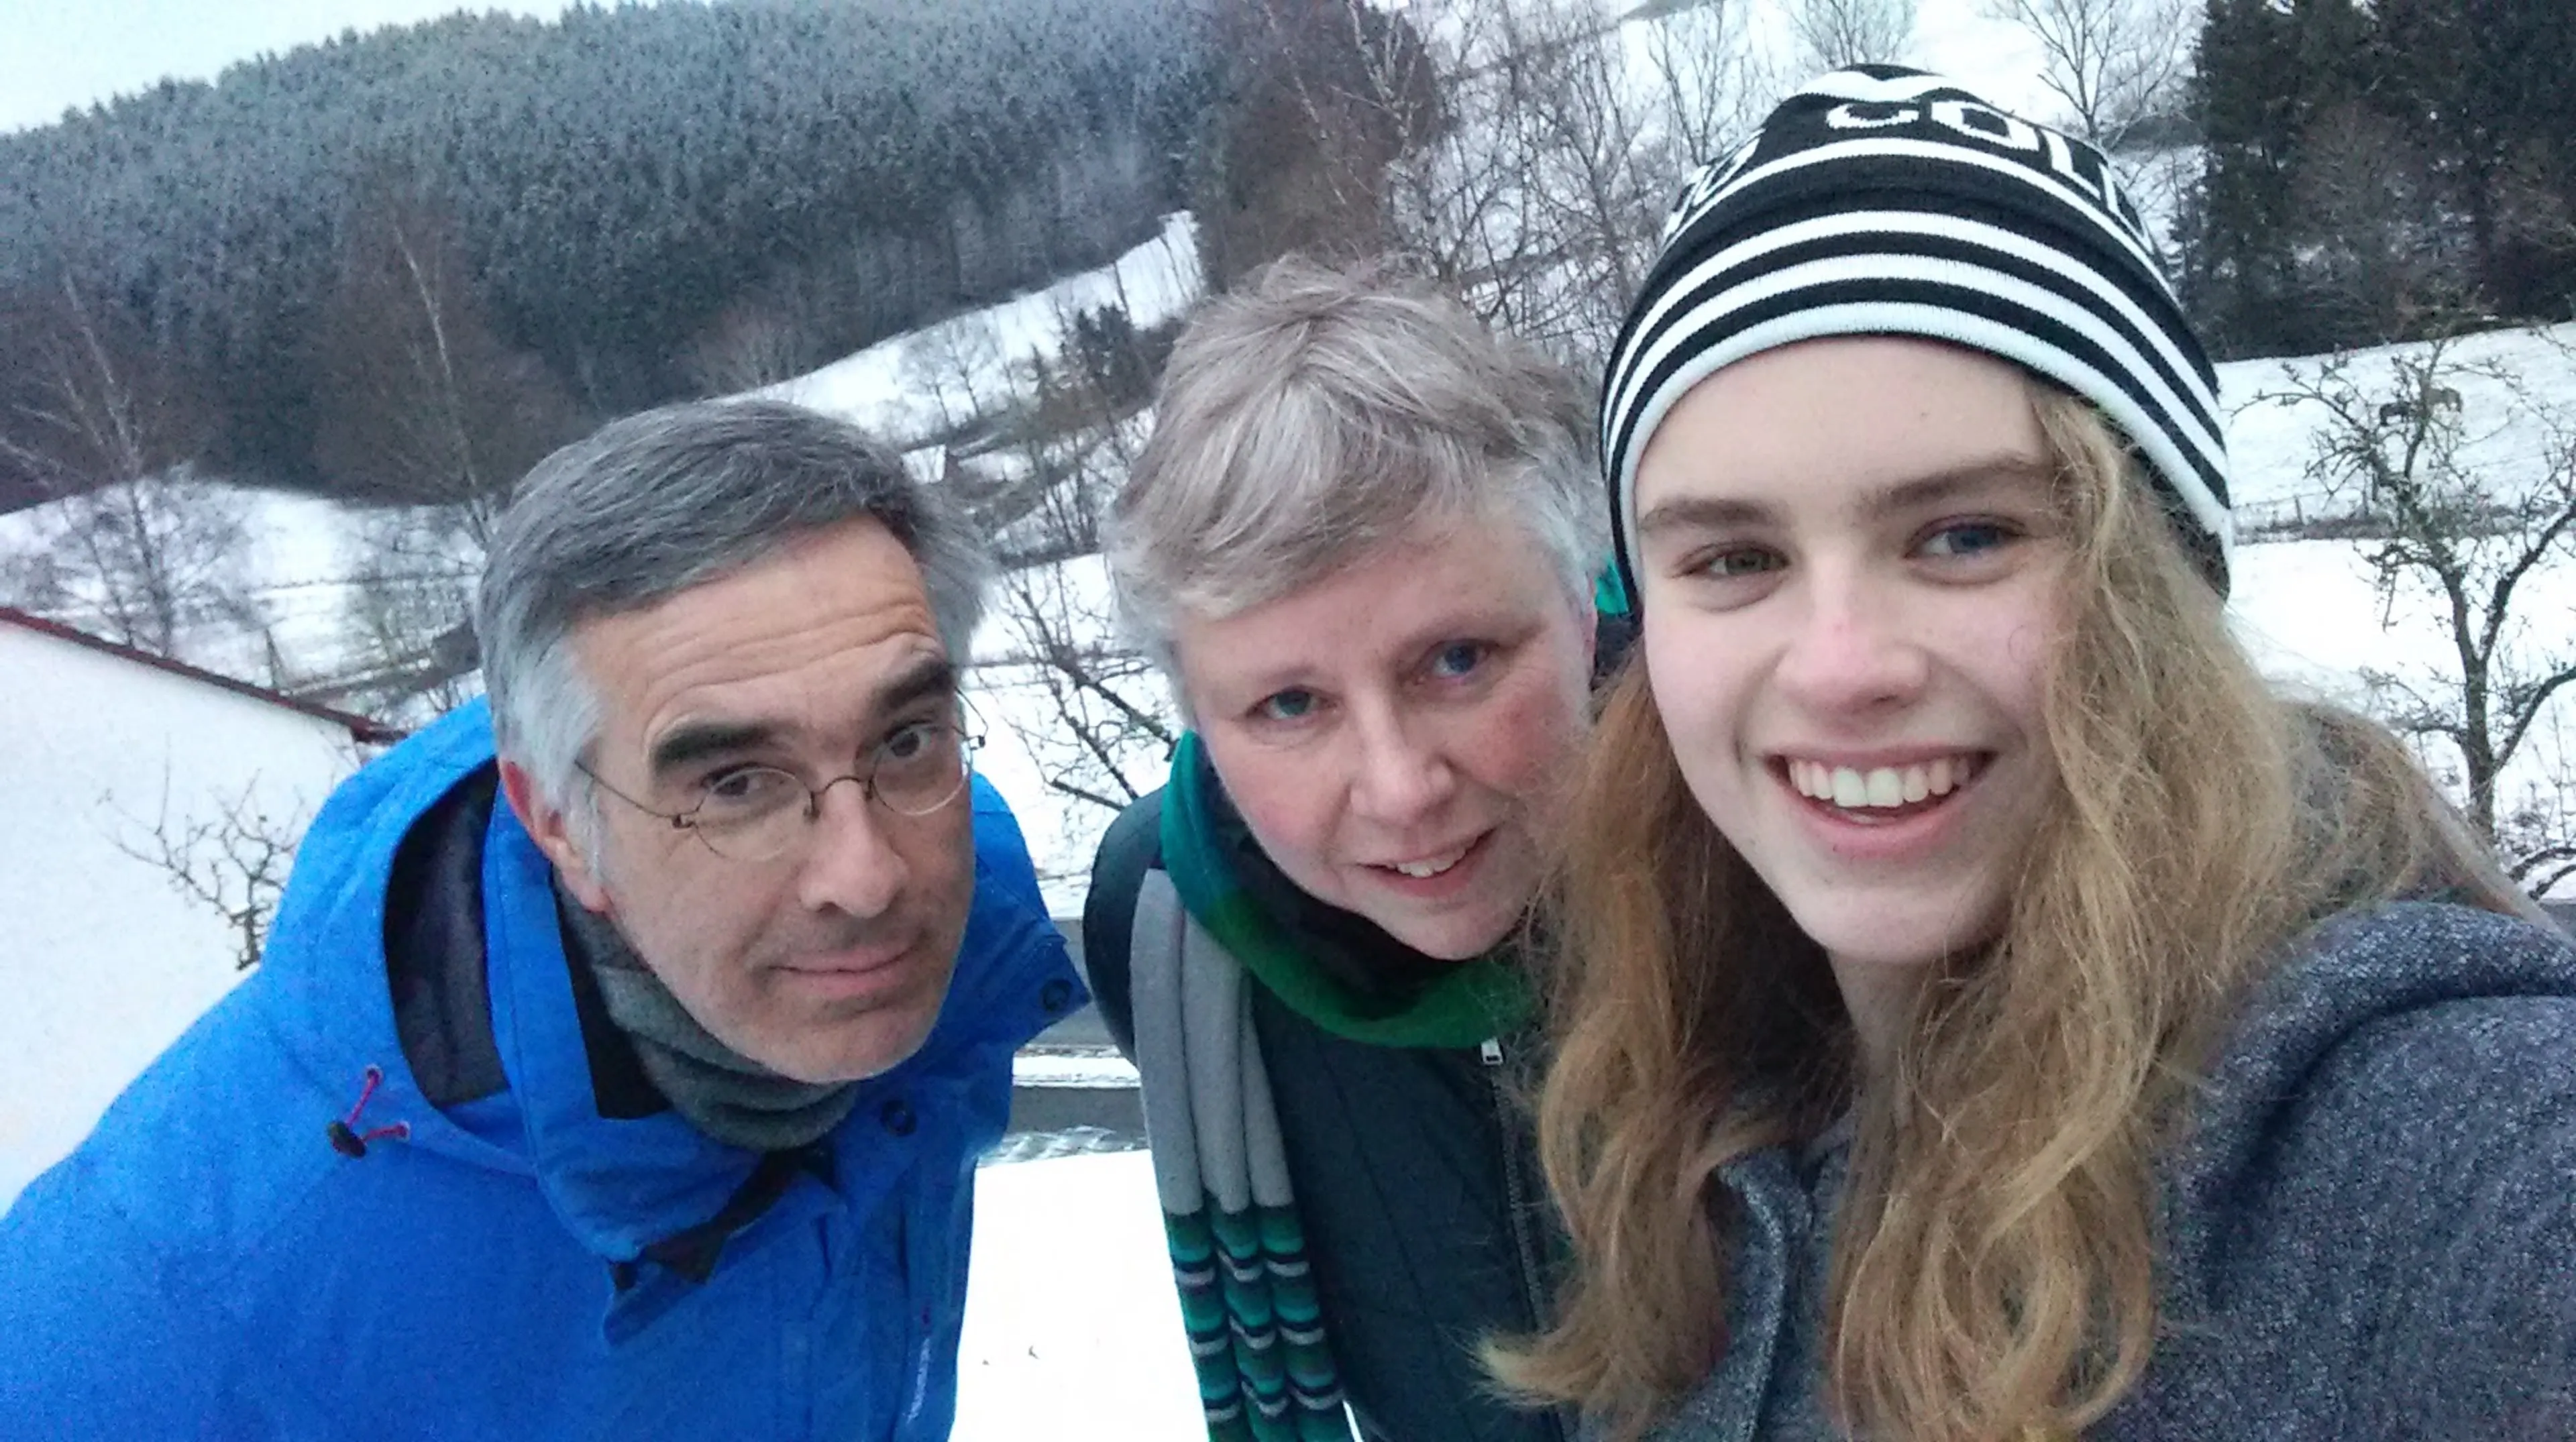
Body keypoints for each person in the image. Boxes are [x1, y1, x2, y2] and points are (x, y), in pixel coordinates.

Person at [1488, 66, 2576, 1442]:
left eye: (1965, 536)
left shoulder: (2415, 1135)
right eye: (1737, 557)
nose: (1838, 666)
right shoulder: (1703, 1105)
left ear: (2158, 583)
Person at [0, 400, 1085, 1439]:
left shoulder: (940, 955)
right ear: (559, 823)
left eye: (902, 739)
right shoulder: (166, 1308)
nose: (868, 877)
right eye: (735, 786)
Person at [1082, 258, 1607, 1442]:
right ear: (1198, 724)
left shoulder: (1776, 871)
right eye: (1289, 707)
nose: (1402, 788)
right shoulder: (1178, 933)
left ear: (1583, 615)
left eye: (1459, 660)